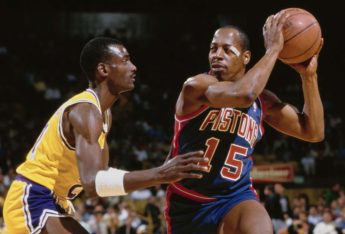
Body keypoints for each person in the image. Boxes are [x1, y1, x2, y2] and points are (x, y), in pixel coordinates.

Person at [3, 37, 210, 233]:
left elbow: (102, 179)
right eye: (125, 60)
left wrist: (161, 171)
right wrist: (159, 174)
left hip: (56, 200)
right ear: (103, 70)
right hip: (33, 195)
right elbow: (93, 184)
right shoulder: (85, 111)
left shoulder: (104, 115)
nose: (133, 67)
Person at [165, 10, 324, 234]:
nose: (217, 55)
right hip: (189, 201)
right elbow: (244, 94)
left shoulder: (263, 101)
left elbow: (313, 131)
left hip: (235, 196)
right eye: (213, 48)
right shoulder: (196, 86)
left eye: (227, 50)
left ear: (246, 58)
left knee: (259, 226)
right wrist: (273, 50)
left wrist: (308, 77)